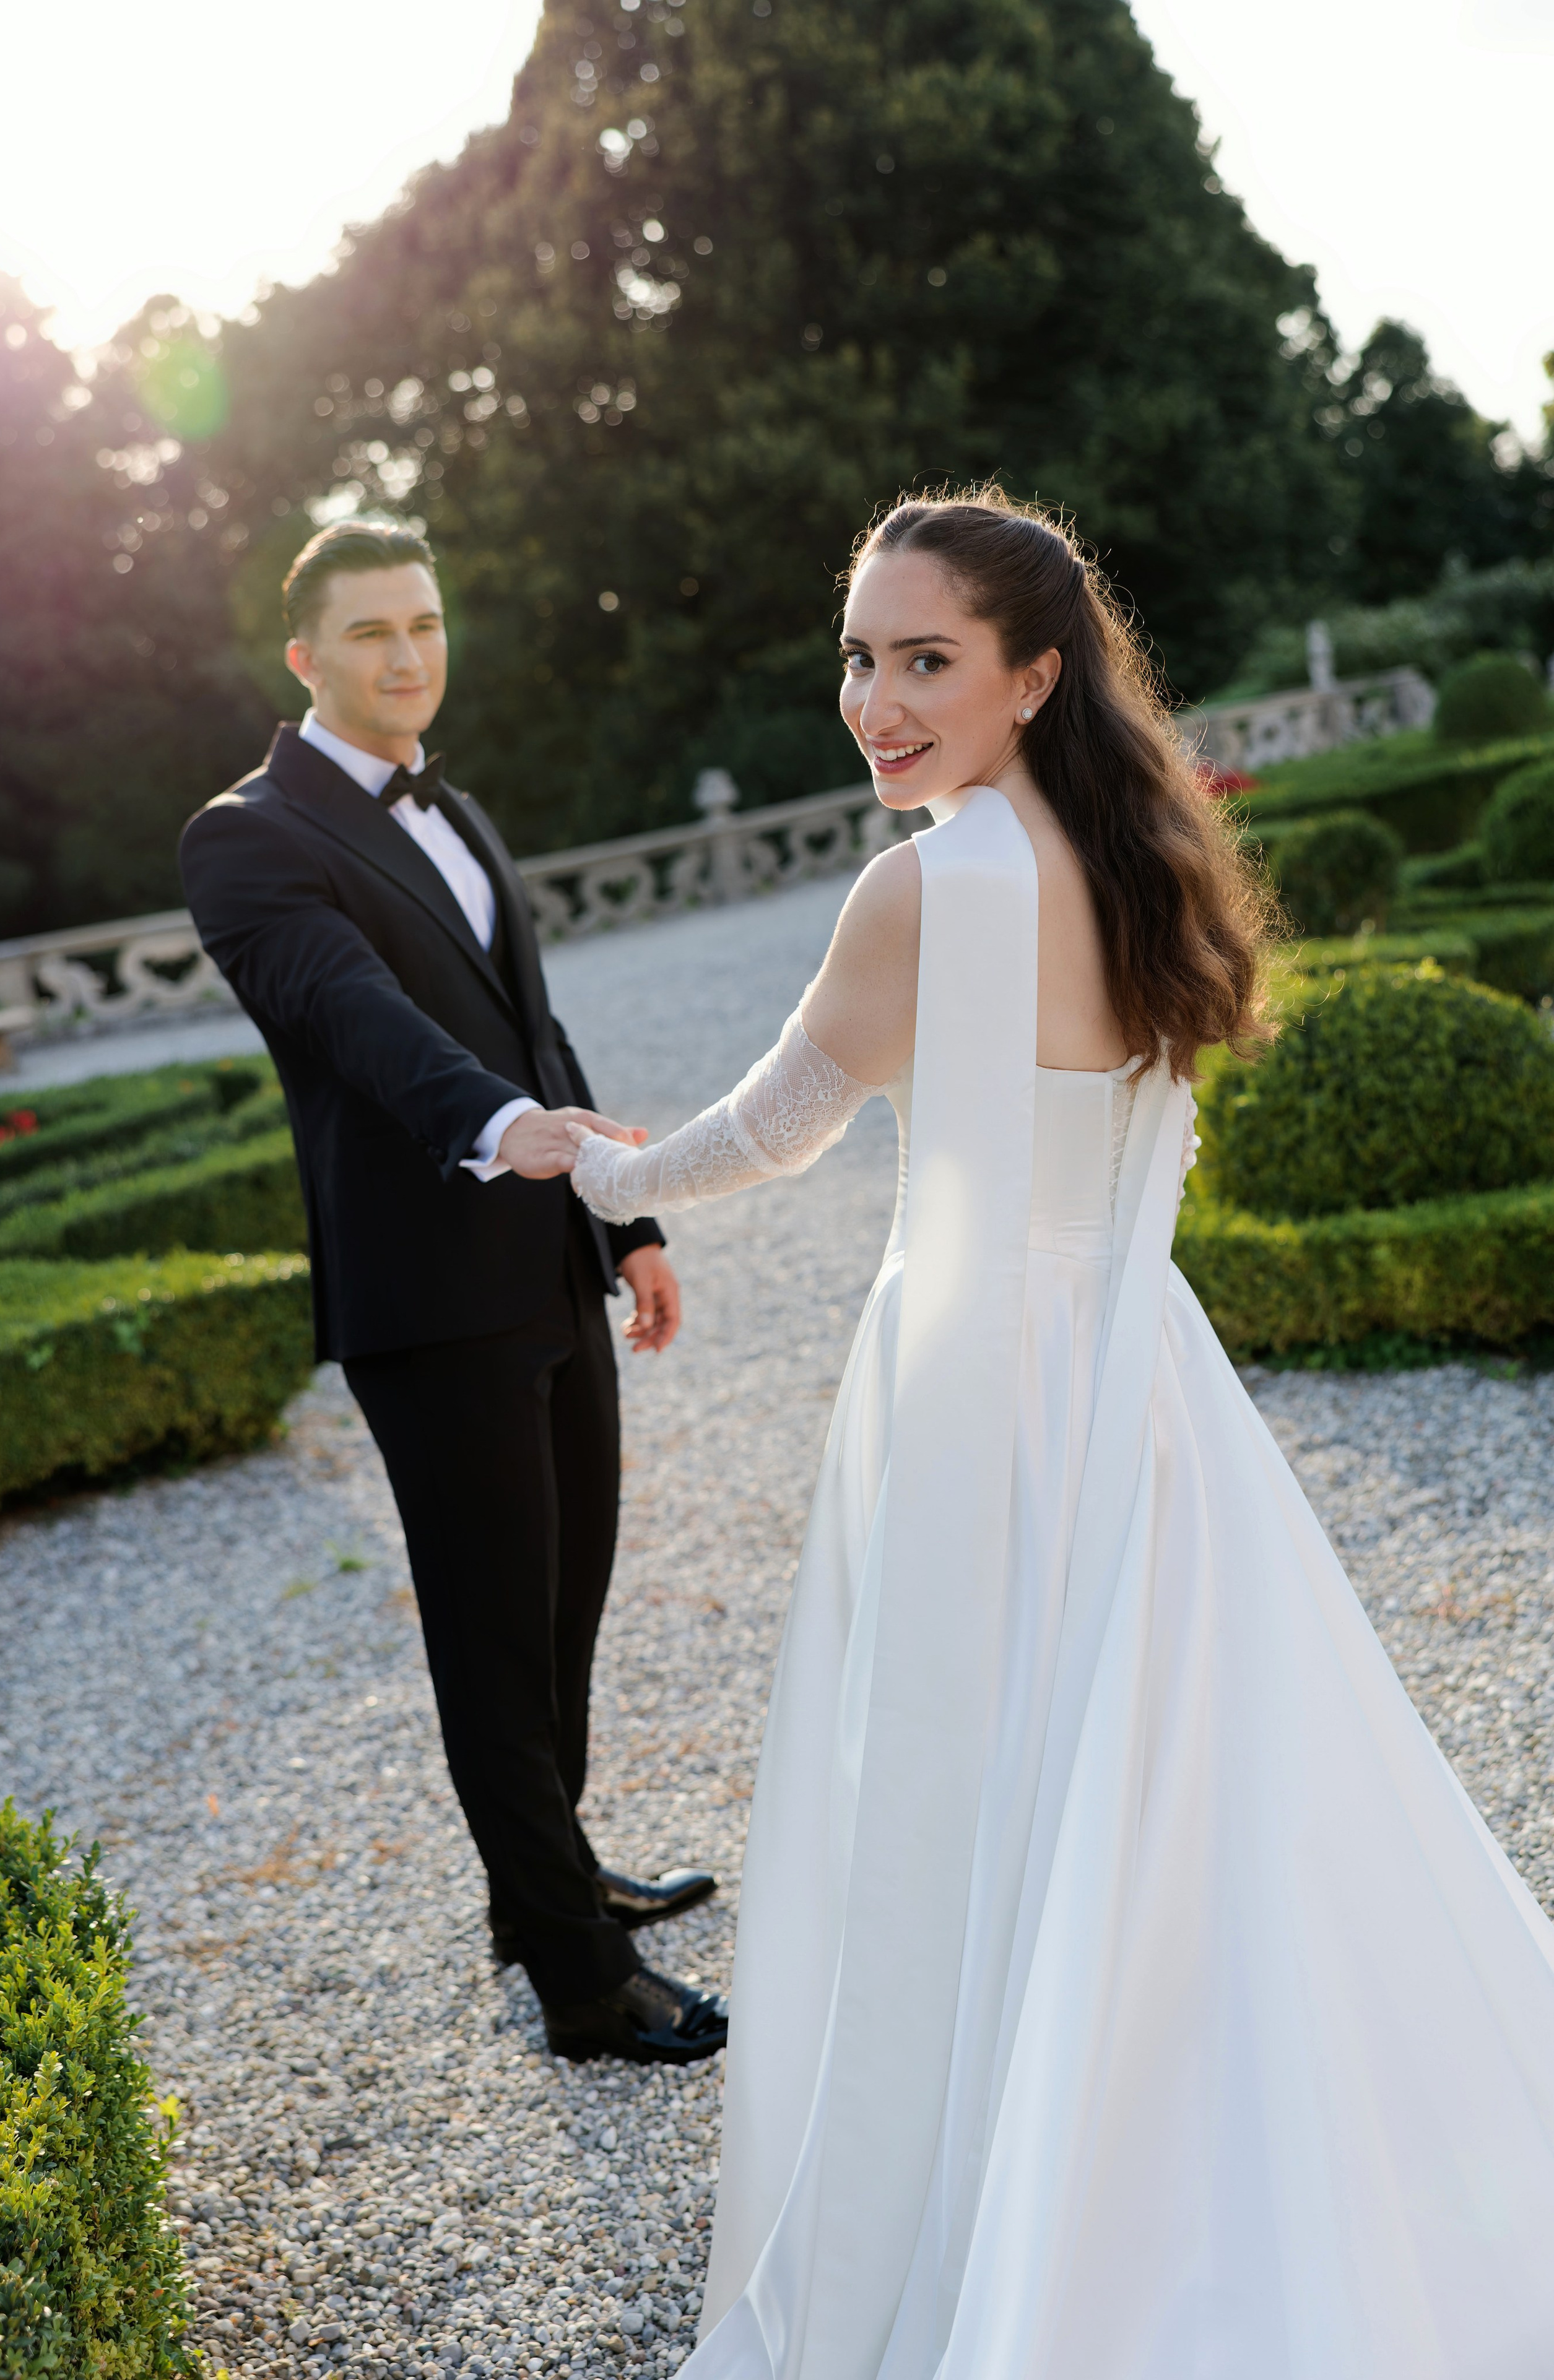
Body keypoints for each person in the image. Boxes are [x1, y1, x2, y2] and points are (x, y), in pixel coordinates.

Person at [568, 490, 1554, 2372]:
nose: (876, 698)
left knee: (971, 1804)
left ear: (1033, 673)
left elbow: (773, 1129)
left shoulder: (931, 885)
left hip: (970, 1402)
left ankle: (1022, 2220)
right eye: (858, 655)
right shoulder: (1138, 846)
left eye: (924, 658)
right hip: (1140, 1383)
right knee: (1184, 1790)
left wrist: (592, 1159)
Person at [180, 521, 727, 2068]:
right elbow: (351, 1017)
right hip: (427, 1292)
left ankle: (538, 1882)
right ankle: (576, 1981)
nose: (407, 655)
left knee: (564, 1608)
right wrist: (499, 1133)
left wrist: (630, 1226)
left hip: (554, 1260)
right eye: (368, 633)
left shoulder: (460, 808)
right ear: (302, 656)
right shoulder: (242, 838)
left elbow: (533, 1034)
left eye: (425, 622)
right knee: (491, 1636)